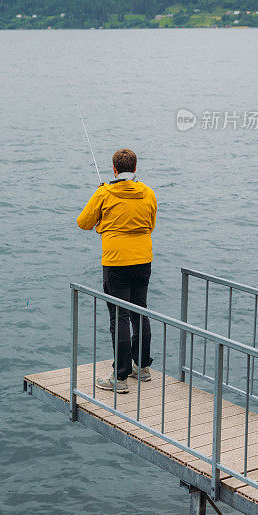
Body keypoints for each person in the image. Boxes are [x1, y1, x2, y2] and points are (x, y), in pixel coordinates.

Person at [77, 148, 157, 393]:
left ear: (114, 169)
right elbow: (150, 225)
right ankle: (141, 367)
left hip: (116, 262)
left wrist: (103, 226)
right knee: (139, 311)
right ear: (134, 169)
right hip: (143, 259)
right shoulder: (148, 193)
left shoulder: (104, 193)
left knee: (119, 317)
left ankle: (120, 377)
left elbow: (83, 222)